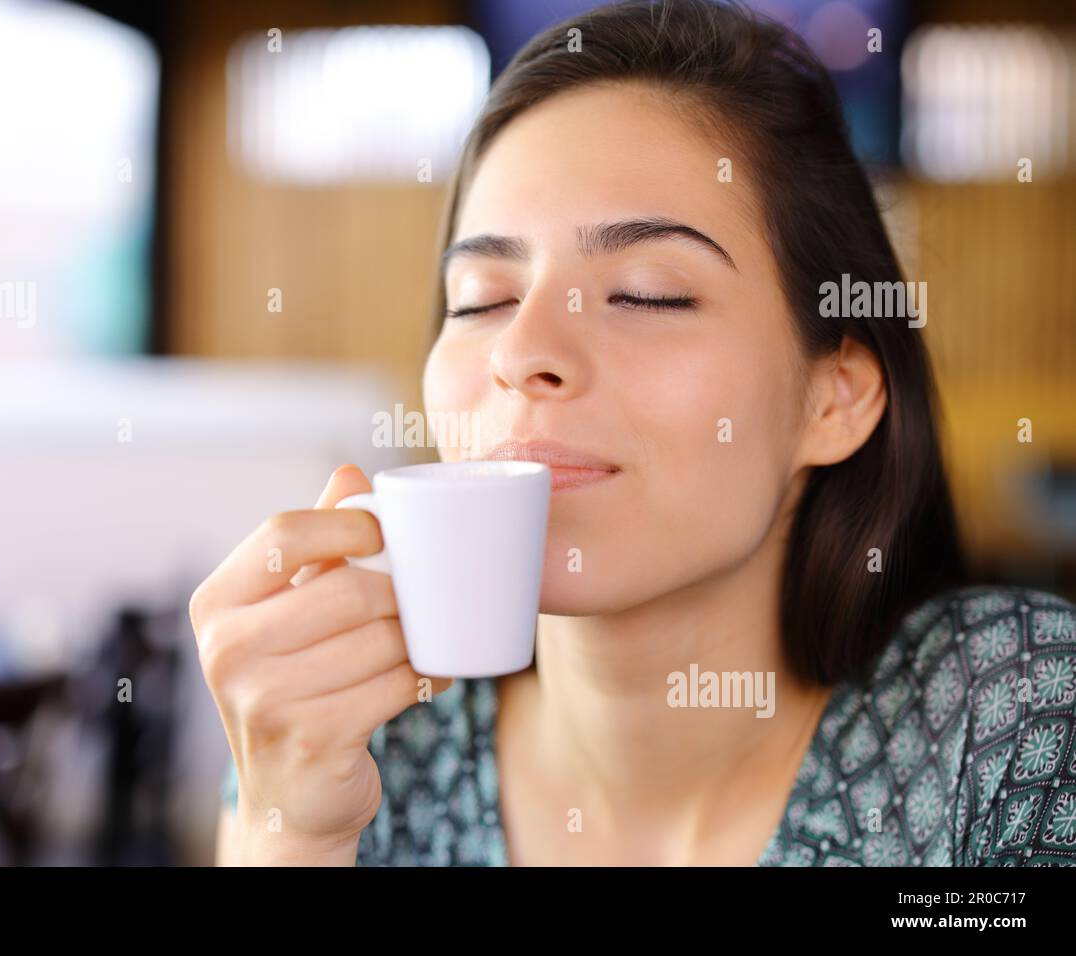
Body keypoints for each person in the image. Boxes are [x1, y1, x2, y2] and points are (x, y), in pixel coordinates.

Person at [192, 0, 1076, 865]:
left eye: (648, 293)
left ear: (834, 398)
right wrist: (291, 836)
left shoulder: (1015, 717)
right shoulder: (347, 741)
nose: (521, 350)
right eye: (481, 301)